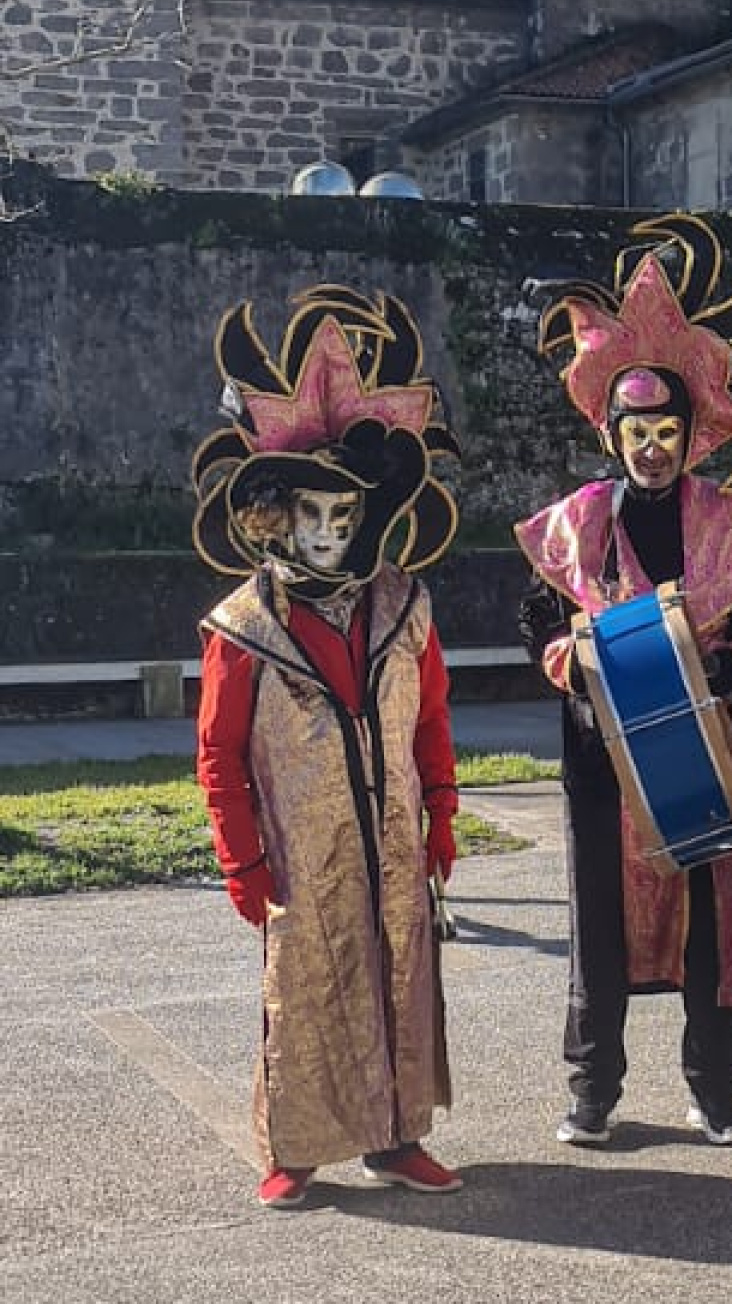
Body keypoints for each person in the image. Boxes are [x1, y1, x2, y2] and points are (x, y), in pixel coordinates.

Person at [516, 221, 732, 1149]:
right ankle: (593, 1089)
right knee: (601, 926)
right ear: (614, 432)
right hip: (604, 766)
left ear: (691, 436)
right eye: (637, 432)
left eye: (668, 431)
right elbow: (537, 625)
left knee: (713, 929)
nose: (653, 447)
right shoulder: (576, 526)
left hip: (704, 754)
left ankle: (714, 1087)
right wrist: (582, 668)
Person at [190, 290, 465, 1209]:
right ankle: (295, 1148)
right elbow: (219, 756)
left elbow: (431, 721)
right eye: (313, 516)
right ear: (276, 517)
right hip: (298, 855)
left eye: (345, 518)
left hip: (392, 839)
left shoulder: (402, 605)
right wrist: (243, 859)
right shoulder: (243, 626)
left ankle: (397, 1138)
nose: (330, 534)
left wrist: (442, 815)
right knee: (303, 992)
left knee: (400, 978)